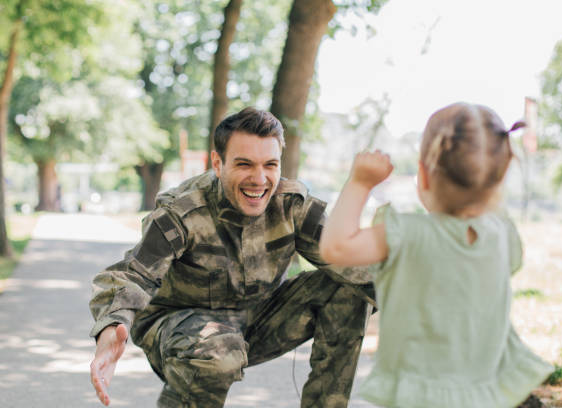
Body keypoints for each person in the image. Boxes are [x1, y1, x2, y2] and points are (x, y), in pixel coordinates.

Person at [89, 107, 375, 407]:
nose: (259, 178)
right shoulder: (183, 212)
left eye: (270, 165)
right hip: (179, 328)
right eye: (244, 164)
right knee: (219, 351)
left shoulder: (292, 206)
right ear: (217, 163)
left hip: (257, 318)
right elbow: (131, 274)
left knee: (349, 287)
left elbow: (358, 265)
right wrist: (110, 327)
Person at [319, 102, 554, 408]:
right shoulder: (502, 235)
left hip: (418, 398)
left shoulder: (405, 235)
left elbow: (335, 247)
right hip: (486, 395)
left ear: (424, 176)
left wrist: (360, 183)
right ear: (500, 177)